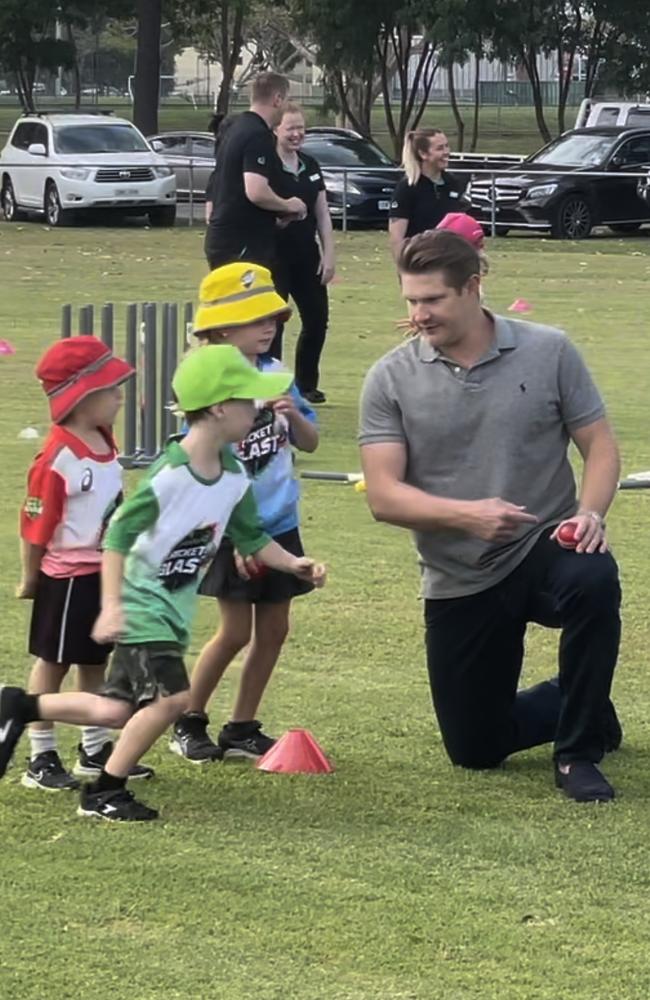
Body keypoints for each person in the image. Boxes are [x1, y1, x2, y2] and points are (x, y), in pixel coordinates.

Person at [0, 346, 326, 821]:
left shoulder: (233, 474)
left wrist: (293, 563)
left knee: (115, 710)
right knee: (173, 699)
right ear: (218, 408)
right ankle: (104, 791)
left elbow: (251, 537)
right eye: (247, 402)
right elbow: (116, 537)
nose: (256, 411)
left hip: (172, 609)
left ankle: (18, 706)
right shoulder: (170, 476)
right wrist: (112, 606)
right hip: (142, 603)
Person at [359, 228, 622, 803]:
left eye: (433, 299)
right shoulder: (390, 378)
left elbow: (600, 447)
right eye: (411, 300)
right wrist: (466, 517)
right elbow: (383, 496)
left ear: (474, 287)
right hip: (460, 571)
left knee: (594, 576)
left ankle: (577, 753)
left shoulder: (549, 349)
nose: (419, 314)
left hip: (544, 542)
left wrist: (591, 514)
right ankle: (581, 702)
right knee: (475, 749)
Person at [170, 262, 319, 763]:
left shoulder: (277, 376)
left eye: (272, 317)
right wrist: (236, 541)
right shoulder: (208, 380)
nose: (268, 327)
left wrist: (293, 413)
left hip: (280, 521)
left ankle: (242, 726)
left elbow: (311, 442)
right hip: (227, 527)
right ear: (219, 328)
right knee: (234, 631)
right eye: (255, 319)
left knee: (274, 630)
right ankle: (188, 719)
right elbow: (199, 459)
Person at [17, 335, 152, 791]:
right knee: (52, 662)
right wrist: (30, 577)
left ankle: (95, 748)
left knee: (95, 661)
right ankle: (40, 755)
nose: (119, 397)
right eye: (110, 390)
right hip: (66, 578)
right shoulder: (57, 458)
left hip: (102, 573)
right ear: (81, 397)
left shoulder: (103, 441)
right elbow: (36, 525)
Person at [204, 72, 307, 271]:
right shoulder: (258, 134)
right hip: (242, 244)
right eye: (286, 99)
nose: (286, 105)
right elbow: (256, 191)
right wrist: (288, 205)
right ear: (277, 99)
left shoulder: (236, 128)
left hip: (224, 239)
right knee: (245, 301)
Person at [270, 103, 335, 399]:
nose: (297, 134)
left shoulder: (310, 165)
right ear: (275, 130)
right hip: (274, 255)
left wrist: (329, 254)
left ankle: (306, 385)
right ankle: (271, 383)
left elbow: (322, 214)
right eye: (290, 128)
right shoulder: (266, 165)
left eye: (301, 128)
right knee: (274, 322)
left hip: (307, 255)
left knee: (317, 319)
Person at [388, 129, 466, 262]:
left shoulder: (453, 183)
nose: (446, 152)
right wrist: (404, 269)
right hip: (420, 263)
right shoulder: (407, 188)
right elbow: (397, 238)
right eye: (440, 148)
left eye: (447, 146)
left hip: (449, 261)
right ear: (423, 154)